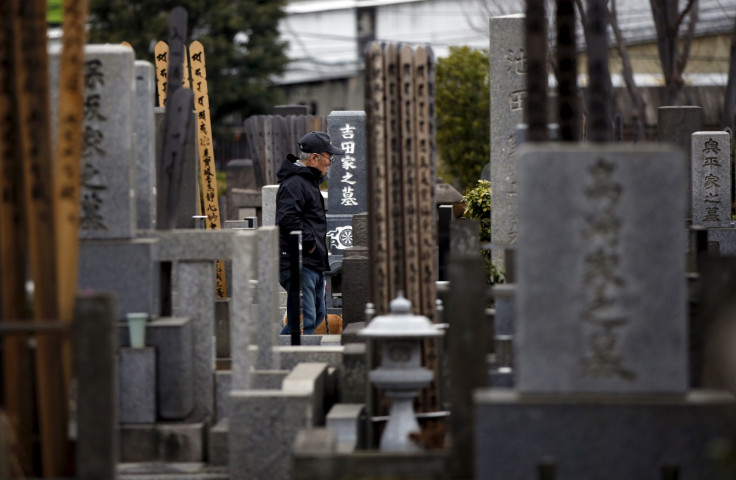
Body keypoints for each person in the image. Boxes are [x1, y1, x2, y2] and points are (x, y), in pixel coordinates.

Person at [276, 131, 344, 335]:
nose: (330, 163)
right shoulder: (295, 182)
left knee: (315, 314)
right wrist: (310, 243)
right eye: (328, 158)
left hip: (311, 261)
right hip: (300, 261)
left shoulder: (306, 181)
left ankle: (287, 355)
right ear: (314, 158)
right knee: (305, 320)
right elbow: (287, 219)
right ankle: (288, 360)